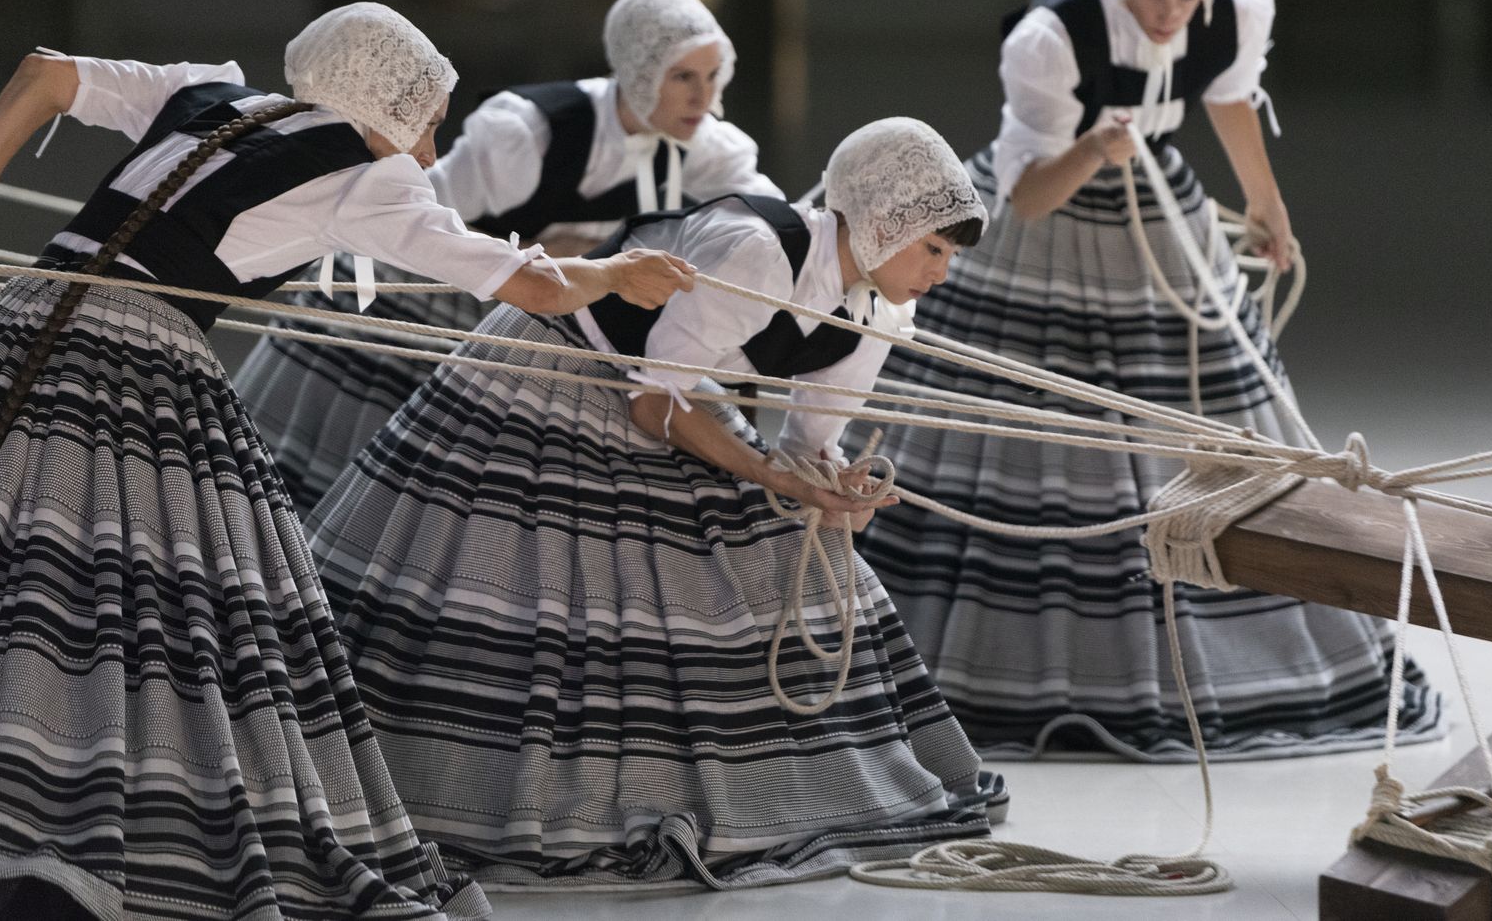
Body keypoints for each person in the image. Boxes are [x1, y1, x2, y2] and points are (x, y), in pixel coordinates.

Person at [0, 2, 691, 920]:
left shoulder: (211, 95)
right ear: (387, 109)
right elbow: (530, 285)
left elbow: (42, 71)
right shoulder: (372, 175)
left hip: (24, 316)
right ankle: (79, 821)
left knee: (20, 559)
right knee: (166, 606)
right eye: (429, 123)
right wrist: (617, 274)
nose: (433, 154)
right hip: (136, 363)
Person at [303, 117, 999, 889]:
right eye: (933, 247)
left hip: (667, 388)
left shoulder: (881, 311)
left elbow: (809, 445)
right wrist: (778, 479)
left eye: (951, 255)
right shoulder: (760, 249)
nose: (941, 271)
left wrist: (837, 497)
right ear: (881, 218)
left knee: (766, 563)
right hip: (564, 365)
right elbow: (652, 406)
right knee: (550, 585)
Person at [847, 0, 1440, 760]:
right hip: (1048, 230)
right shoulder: (1053, 39)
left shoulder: (1233, 12)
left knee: (1205, 404)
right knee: (1046, 433)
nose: (1171, 13)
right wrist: (1095, 145)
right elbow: (1028, 196)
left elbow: (1229, 98)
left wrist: (1265, 201)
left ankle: (1218, 638)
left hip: (1159, 213)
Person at [234, 0, 781, 514]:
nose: (703, 97)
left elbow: (769, 229)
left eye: (713, 75)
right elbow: (414, 215)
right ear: (641, 70)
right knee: (373, 471)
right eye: (683, 76)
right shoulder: (532, 131)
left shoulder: (713, 152)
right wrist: (568, 251)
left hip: (564, 330)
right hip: (447, 304)